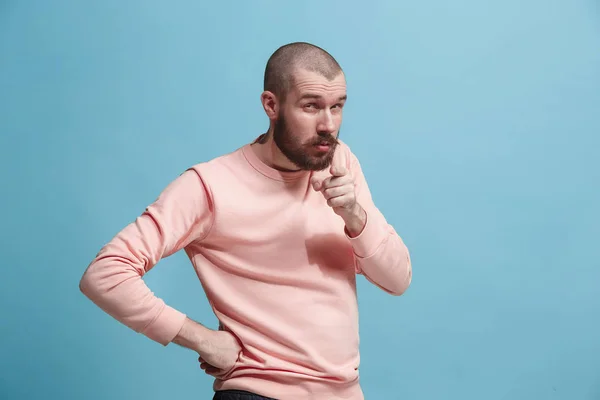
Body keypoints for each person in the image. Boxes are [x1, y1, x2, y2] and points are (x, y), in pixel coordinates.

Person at [79, 42, 412, 400]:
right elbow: (105, 274)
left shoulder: (341, 163)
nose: (328, 125)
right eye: (311, 106)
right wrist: (201, 339)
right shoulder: (209, 185)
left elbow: (397, 280)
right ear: (271, 105)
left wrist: (354, 216)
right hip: (258, 393)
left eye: (337, 107)